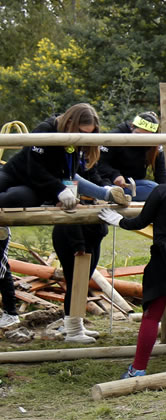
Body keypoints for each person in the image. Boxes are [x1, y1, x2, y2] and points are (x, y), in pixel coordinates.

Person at [0, 104, 114, 343]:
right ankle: (73, 327)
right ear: (70, 124)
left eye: (90, 133)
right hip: (19, 177)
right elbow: (35, 168)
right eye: (83, 131)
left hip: (37, 189)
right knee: (11, 197)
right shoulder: (47, 130)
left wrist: (106, 193)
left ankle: (74, 326)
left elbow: (73, 176)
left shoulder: (76, 144)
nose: (86, 138)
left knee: (20, 198)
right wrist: (60, 190)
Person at [100, 147, 166, 378]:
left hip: (165, 257)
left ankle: (138, 369)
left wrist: (118, 220)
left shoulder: (163, 191)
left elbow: (140, 221)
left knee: (152, 315)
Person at [96, 112, 166, 202]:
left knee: (155, 188)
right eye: (138, 135)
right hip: (108, 181)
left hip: (132, 184)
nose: (141, 140)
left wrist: (163, 196)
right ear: (132, 127)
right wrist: (115, 175)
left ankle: (116, 196)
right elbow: (100, 163)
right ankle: (112, 194)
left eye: (146, 137)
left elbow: (161, 173)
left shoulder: (155, 144)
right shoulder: (116, 135)